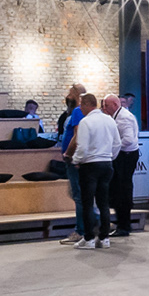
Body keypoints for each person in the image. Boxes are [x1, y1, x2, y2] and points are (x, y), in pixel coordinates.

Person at [68, 92, 119, 250]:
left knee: (88, 203)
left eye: (81, 105)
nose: (80, 108)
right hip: (106, 164)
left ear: (87, 104)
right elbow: (117, 143)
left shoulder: (86, 122)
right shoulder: (109, 120)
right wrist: (109, 157)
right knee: (104, 203)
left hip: (90, 166)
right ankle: (104, 238)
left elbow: (82, 147)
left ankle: (89, 238)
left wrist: (75, 160)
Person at [56, 83, 89, 241]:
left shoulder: (77, 111)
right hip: (77, 157)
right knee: (77, 193)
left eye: (69, 93)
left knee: (78, 195)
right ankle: (95, 221)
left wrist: (69, 154)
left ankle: (81, 230)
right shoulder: (77, 112)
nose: (67, 96)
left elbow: (77, 135)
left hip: (74, 158)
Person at [105, 94, 140, 239]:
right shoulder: (118, 116)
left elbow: (128, 140)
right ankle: (123, 223)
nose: (104, 108)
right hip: (124, 155)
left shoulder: (124, 117)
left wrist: (112, 148)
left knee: (122, 191)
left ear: (114, 105)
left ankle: (124, 225)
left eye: (106, 105)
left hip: (126, 156)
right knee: (119, 190)